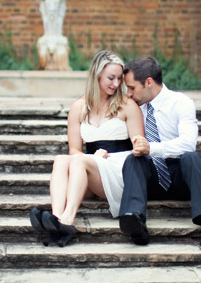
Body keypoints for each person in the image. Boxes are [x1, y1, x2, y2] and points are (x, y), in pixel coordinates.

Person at [29, 50, 144, 247]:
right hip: (91, 168)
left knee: (79, 160)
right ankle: (56, 218)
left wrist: (100, 158)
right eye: (110, 78)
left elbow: (138, 148)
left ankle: (68, 220)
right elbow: (74, 149)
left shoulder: (127, 105)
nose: (116, 84)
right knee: (61, 159)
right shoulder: (79, 107)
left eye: (119, 79)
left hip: (119, 171)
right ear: (96, 75)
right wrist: (94, 159)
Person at [118, 56, 201, 249]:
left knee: (193, 157)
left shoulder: (181, 103)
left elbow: (188, 144)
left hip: (179, 178)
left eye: (132, 87)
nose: (129, 93)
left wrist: (153, 148)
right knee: (133, 160)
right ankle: (135, 222)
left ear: (148, 82)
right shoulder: (133, 108)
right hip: (149, 180)